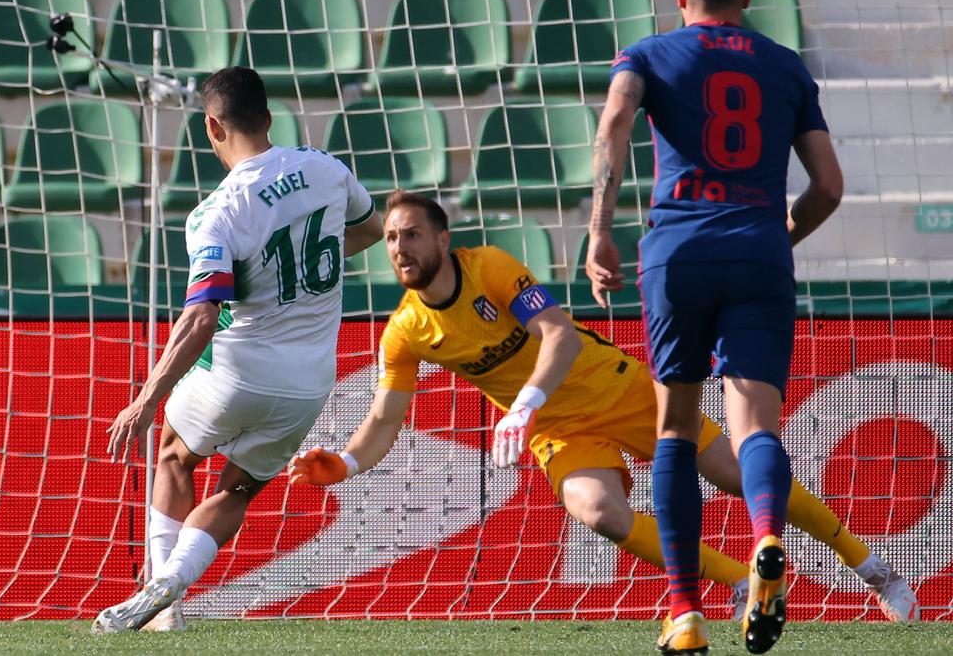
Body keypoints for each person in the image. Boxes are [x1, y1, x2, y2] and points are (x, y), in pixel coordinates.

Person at [289, 193, 912, 637]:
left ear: (443, 240)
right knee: (597, 513)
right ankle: (739, 581)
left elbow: (557, 334)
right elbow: (385, 419)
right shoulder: (404, 333)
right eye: (392, 238)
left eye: (412, 234)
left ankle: (873, 570)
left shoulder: (492, 268)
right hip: (561, 434)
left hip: (620, 391)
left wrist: (522, 404)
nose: (399, 247)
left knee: (739, 475)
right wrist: (343, 463)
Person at [582, 0, 847, 650]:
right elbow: (827, 187)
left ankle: (684, 614)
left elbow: (613, 124)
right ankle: (766, 538)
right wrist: (773, 239)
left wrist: (599, 233)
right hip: (758, 248)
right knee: (755, 426)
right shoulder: (784, 63)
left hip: (677, 253)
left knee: (675, 429)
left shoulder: (646, 52)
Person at [95, 66, 383, 634]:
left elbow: (201, 315)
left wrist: (147, 399)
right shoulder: (326, 168)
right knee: (240, 489)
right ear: (270, 117)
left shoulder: (215, 213)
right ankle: (174, 580)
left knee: (176, 454)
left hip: (240, 368)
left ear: (211, 127)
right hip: (310, 382)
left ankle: (165, 606)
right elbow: (370, 230)